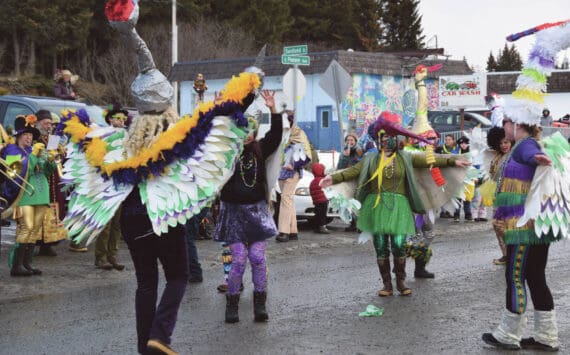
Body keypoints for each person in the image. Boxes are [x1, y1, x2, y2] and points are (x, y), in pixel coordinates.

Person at [320, 111, 470, 297]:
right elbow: (351, 172)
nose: (386, 141)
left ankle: (401, 281)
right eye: (383, 138)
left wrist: (453, 159)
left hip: (399, 208)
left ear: (396, 139)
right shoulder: (370, 159)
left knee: (399, 245)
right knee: (381, 247)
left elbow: (428, 160)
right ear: (378, 139)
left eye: (390, 138)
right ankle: (386, 285)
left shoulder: (405, 157)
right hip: (376, 208)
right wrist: (331, 178)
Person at [214, 90, 283, 323]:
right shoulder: (227, 151)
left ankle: (260, 304)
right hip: (233, 213)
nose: (246, 135)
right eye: (241, 130)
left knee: (257, 257)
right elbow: (216, 133)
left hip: (257, 212)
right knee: (239, 259)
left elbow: (276, 134)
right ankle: (231, 306)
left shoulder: (260, 150)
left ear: (254, 132)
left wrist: (273, 108)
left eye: (250, 131)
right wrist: (219, 110)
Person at [2, 115, 57, 276]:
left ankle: (27, 264)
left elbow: (47, 171)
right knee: (26, 229)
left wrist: (50, 160)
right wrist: (34, 157)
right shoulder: (12, 150)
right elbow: (14, 175)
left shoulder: (34, 150)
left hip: (41, 195)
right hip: (24, 196)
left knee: (35, 230)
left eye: (31, 135)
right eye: (26, 134)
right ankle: (16, 266)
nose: (29, 137)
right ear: (19, 136)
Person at [94, 105, 130, 271]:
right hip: (106, 181)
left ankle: (112, 255)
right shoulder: (102, 134)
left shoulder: (126, 135)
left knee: (117, 222)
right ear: (110, 119)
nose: (121, 121)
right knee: (106, 222)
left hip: (121, 182)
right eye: (118, 118)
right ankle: (101, 257)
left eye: (123, 119)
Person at [33, 110, 68, 256]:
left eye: (50, 123)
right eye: (46, 123)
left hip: (54, 178)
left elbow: (58, 156)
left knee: (55, 209)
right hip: (41, 177)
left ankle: (48, 243)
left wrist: (61, 153)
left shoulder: (52, 138)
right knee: (41, 210)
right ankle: (36, 243)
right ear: (38, 123)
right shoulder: (34, 138)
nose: (49, 126)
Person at [275, 111, 311, 243]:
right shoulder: (282, 133)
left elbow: (307, 154)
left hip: (292, 171)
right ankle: (293, 231)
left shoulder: (298, 133)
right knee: (288, 200)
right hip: (282, 171)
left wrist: (294, 164)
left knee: (285, 198)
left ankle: (283, 231)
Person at [482, 127, 513, 265]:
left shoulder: (515, 156)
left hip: (512, 196)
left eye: (506, 142)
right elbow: (493, 176)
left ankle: (514, 254)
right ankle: (506, 254)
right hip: (498, 196)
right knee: (497, 225)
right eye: (500, 143)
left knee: (510, 226)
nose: (503, 145)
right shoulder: (497, 156)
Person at [453, 136, 473, 222]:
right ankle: (456, 215)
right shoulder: (455, 152)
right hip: (458, 176)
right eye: (461, 143)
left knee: (468, 197)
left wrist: (478, 176)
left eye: (465, 143)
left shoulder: (472, 152)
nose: (463, 145)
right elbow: (451, 160)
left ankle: (468, 214)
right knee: (458, 196)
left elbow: (477, 165)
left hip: (470, 177)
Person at [309, 162, 330, 234]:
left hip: (317, 202)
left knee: (317, 214)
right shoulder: (323, 180)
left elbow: (311, 191)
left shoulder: (313, 181)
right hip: (323, 200)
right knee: (323, 215)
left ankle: (316, 227)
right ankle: (322, 227)